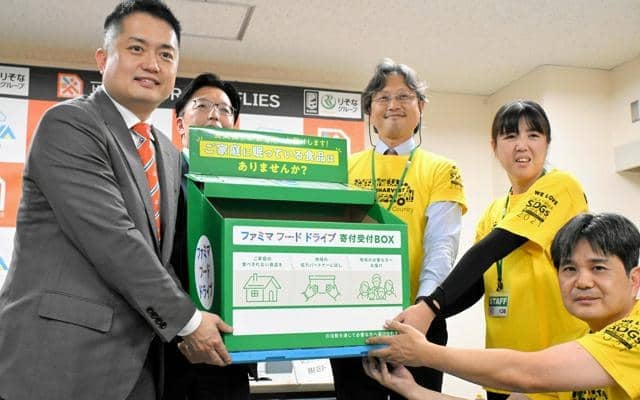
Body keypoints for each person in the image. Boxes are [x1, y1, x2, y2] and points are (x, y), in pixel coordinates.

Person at [0, 2, 231, 399]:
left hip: (140, 368)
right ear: (103, 58)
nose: (152, 64)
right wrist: (190, 323)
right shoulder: (70, 124)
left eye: (166, 55)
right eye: (136, 48)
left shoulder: (167, 153)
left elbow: (159, 259)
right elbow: (114, 239)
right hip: (59, 363)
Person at [383, 99, 590, 400]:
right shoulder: (494, 211)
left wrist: (430, 306)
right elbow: (475, 283)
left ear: (547, 143)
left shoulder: (561, 185)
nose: (522, 145)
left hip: (553, 369)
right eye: (510, 136)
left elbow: (493, 247)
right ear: (494, 146)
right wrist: (416, 318)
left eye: (533, 135)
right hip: (500, 371)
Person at [365, 212, 640, 400]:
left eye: (598, 268)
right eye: (569, 269)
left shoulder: (634, 334)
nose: (582, 282)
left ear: (634, 279)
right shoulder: (583, 341)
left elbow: (528, 374)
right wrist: (415, 391)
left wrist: (425, 353)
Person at [330, 58, 468, 399]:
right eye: (383, 97)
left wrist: (424, 308)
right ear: (369, 111)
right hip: (352, 323)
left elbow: (442, 246)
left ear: (421, 107)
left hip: (420, 319)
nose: (393, 105)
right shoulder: (342, 168)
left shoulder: (442, 169)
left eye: (405, 96)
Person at [164, 73, 252, 400]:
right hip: (171, 351)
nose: (215, 115)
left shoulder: (248, 187)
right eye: (202, 106)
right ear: (181, 124)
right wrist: (187, 324)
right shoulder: (158, 178)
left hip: (228, 355)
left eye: (225, 110)